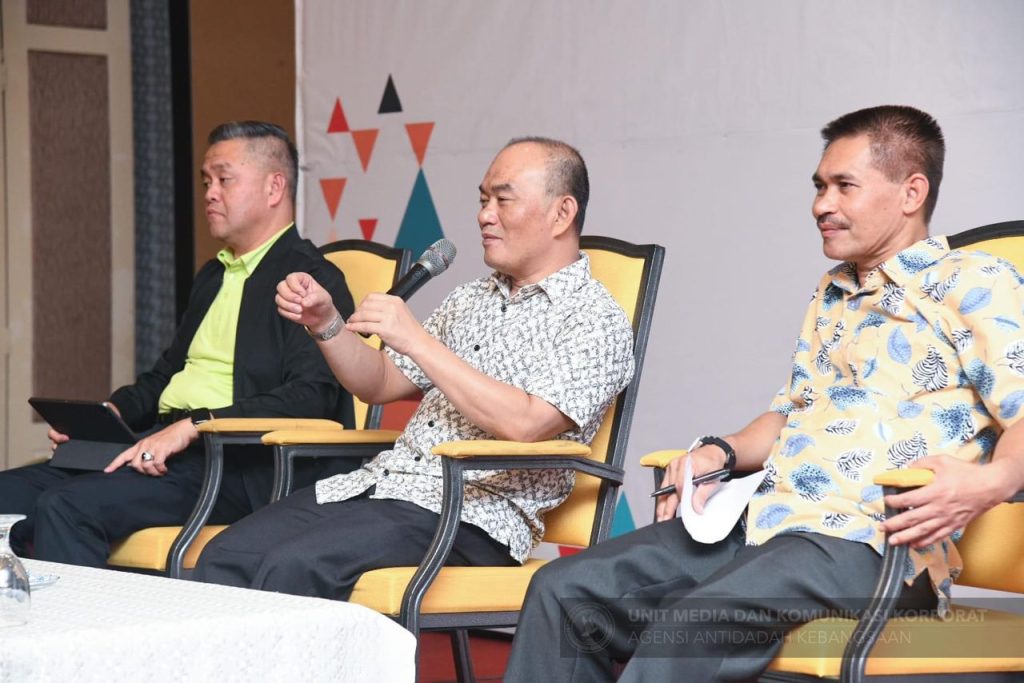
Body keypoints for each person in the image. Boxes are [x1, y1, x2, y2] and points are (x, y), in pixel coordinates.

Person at [504, 106, 1024, 682]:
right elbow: (790, 412)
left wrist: (992, 481)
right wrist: (719, 451)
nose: (821, 204)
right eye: (819, 186)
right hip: (766, 525)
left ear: (911, 192)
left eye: (844, 186)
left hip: (873, 546)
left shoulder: (976, 282)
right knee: (565, 589)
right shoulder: (834, 292)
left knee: (692, 623)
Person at [193, 137, 636, 599]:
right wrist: (327, 325)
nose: (485, 215)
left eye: (503, 200)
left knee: (295, 566)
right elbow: (379, 382)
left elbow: (527, 423)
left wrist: (420, 343)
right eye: (483, 200)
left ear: (562, 213)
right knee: (227, 553)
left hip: (473, 515)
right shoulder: (470, 298)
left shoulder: (595, 319)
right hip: (383, 486)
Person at [0, 121, 356, 568]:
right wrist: (112, 414)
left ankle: (76, 616)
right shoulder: (213, 275)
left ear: (274, 187)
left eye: (224, 179)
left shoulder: (310, 279)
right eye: (207, 182)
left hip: (237, 465)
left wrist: (197, 424)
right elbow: (164, 376)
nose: (210, 193)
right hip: (164, 446)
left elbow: (311, 396)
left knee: (65, 506)